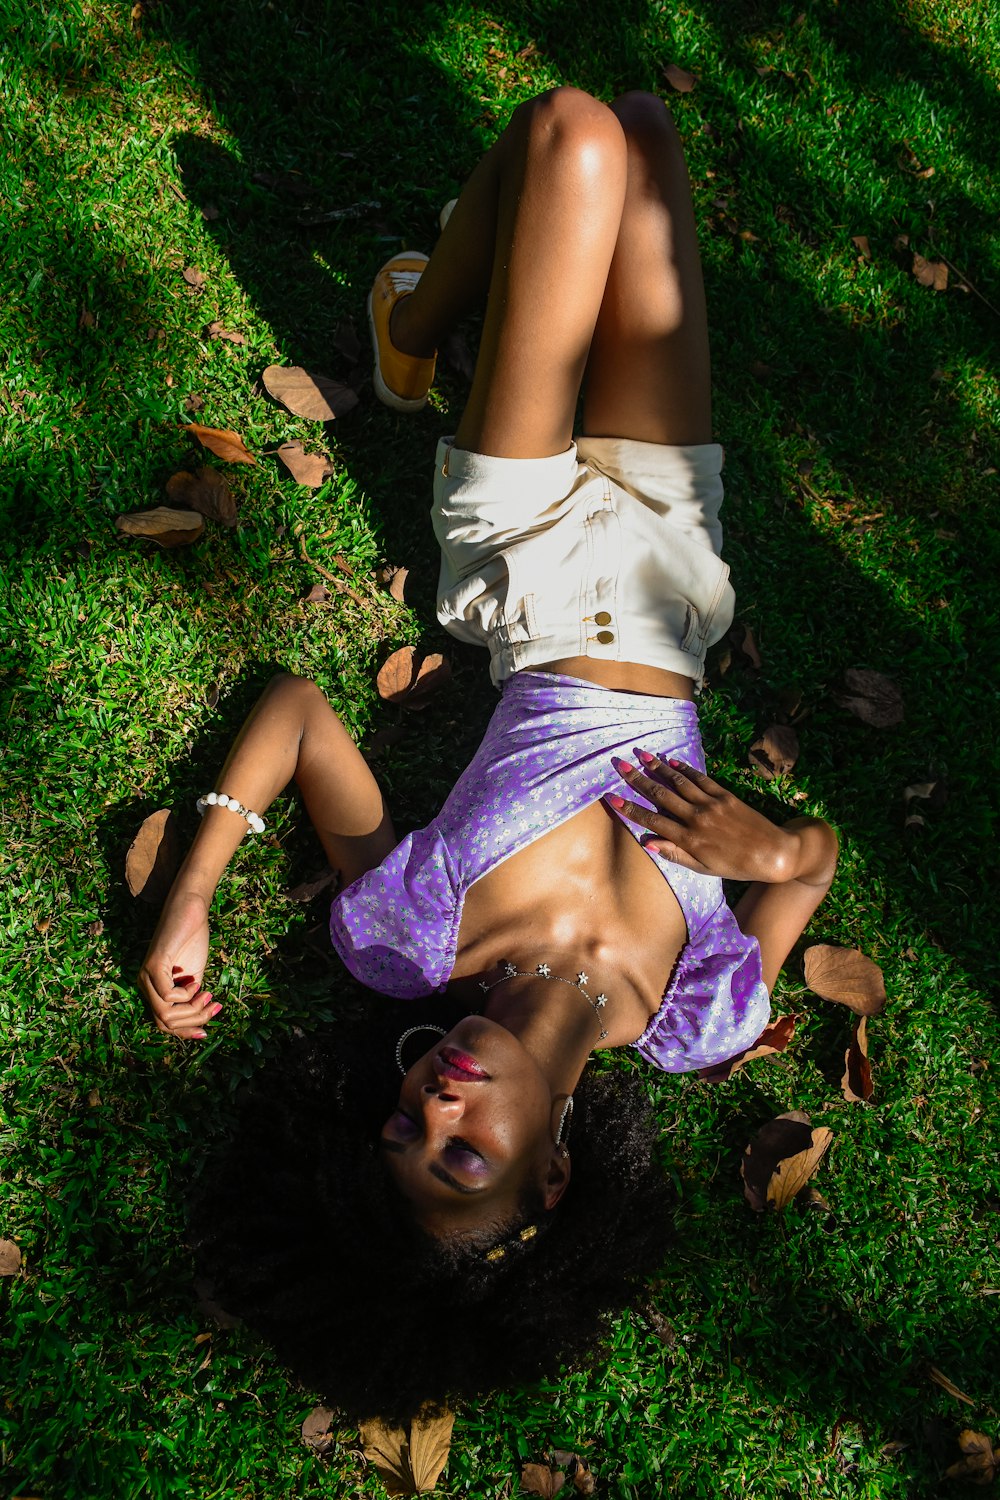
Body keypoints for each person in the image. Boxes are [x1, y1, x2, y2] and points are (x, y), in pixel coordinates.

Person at [139, 87, 839, 1419]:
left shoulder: (406, 939)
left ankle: (412, 331)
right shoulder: (699, 1014)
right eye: (463, 1160)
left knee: (579, 135)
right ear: (554, 1183)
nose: (437, 1106)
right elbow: (812, 867)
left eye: (403, 1129)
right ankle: (412, 325)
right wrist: (775, 850)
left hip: (520, 559)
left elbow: (292, 710)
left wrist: (194, 885)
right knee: (645, 130)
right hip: (672, 564)